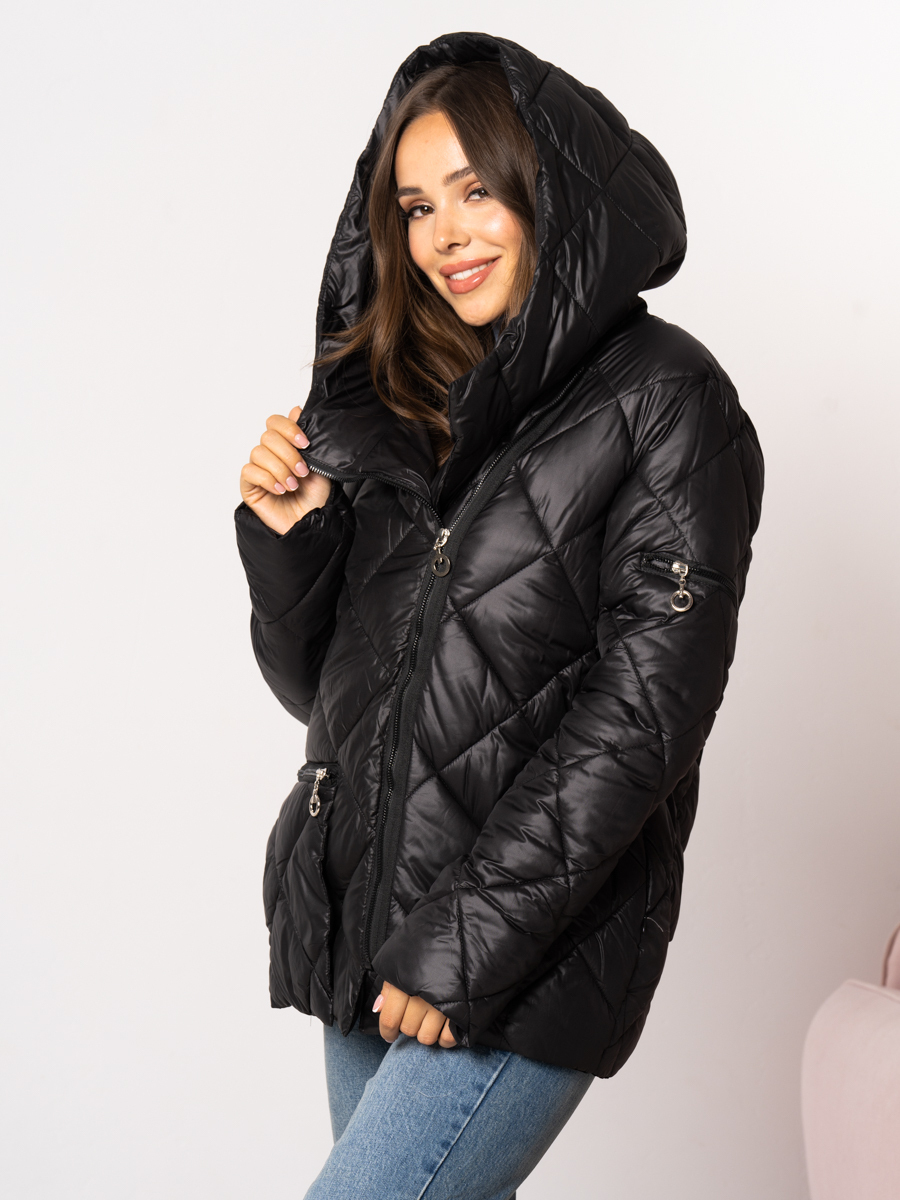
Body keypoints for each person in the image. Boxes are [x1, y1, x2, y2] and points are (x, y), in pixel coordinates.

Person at [235, 32, 764, 1200]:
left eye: (476, 191)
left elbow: (644, 720)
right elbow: (327, 698)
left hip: (519, 954)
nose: (445, 236)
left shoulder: (668, 399)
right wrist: (292, 538)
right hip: (366, 927)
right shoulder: (404, 404)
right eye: (417, 207)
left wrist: (464, 945)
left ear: (549, 191)